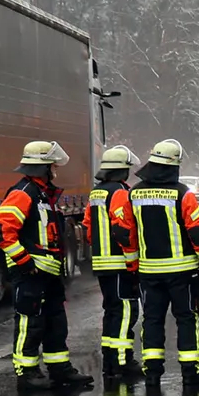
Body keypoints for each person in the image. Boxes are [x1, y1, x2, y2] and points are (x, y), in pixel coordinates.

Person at [0, 140, 94, 392]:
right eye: (52, 166)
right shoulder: (23, 193)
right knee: (30, 322)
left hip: (47, 274)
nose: (55, 170)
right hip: (30, 274)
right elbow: (2, 230)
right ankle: (26, 372)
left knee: (55, 322)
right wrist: (25, 261)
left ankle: (59, 368)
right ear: (43, 168)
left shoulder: (42, 195)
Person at [130, 138, 199, 391]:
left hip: (149, 272)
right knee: (186, 319)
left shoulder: (134, 193)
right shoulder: (183, 193)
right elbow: (198, 233)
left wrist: (133, 266)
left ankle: (153, 374)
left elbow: (127, 232)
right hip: (182, 272)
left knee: (152, 320)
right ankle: (191, 372)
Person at [84, 145, 143, 383]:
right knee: (126, 311)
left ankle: (110, 359)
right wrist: (132, 259)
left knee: (111, 311)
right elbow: (122, 228)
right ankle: (121, 361)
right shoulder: (119, 192)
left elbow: (88, 227)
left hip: (102, 263)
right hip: (120, 263)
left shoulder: (96, 193)